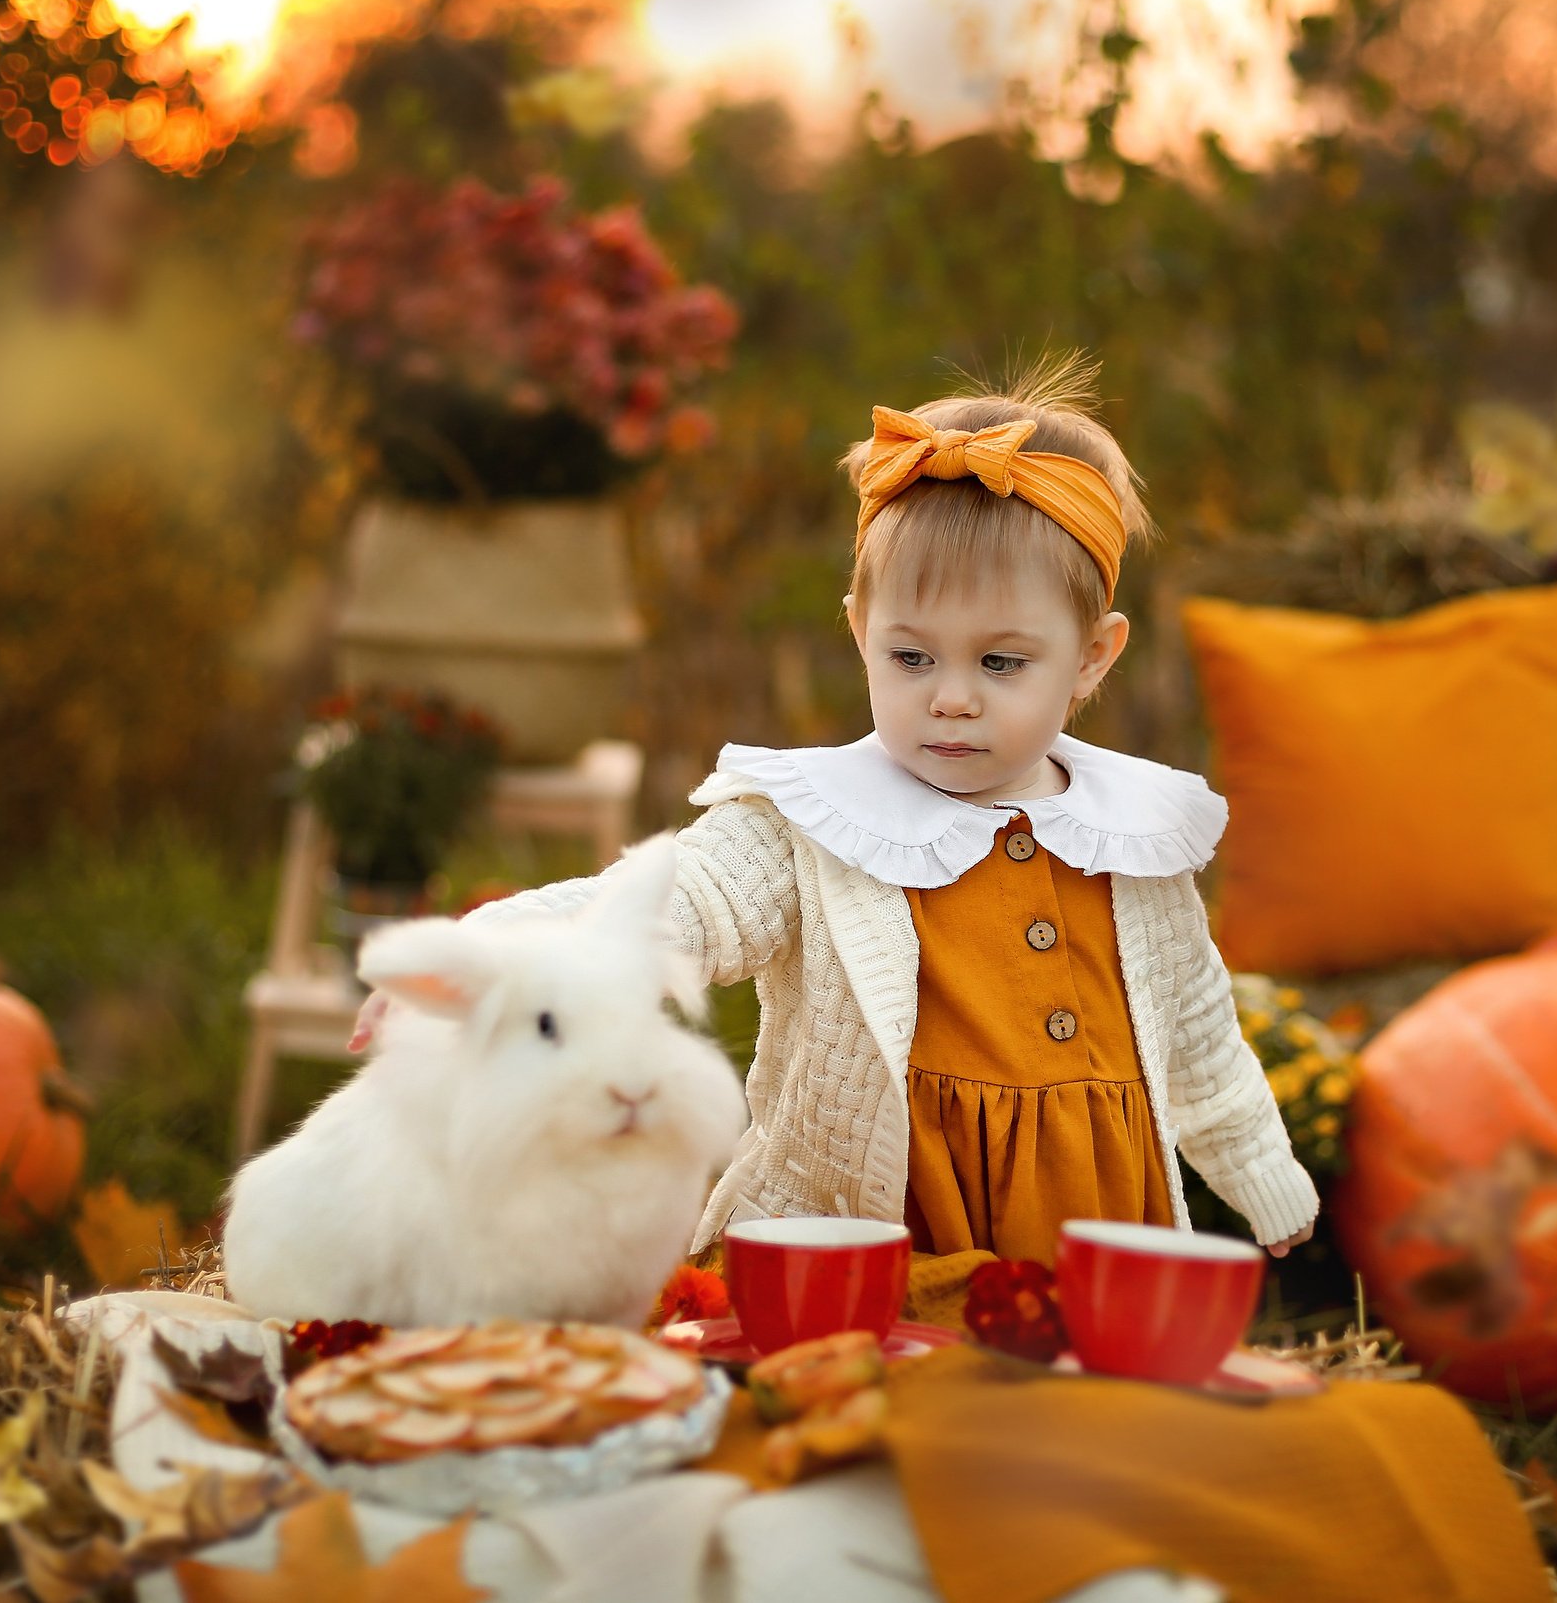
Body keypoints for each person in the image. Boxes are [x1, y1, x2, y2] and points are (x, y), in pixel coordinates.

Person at [474, 355, 1317, 1266]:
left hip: (1095, 1228)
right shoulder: (816, 820)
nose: (951, 698)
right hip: (883, 1242)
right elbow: (675, 903)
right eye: (912, 658)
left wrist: (1263, 1173)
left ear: (1091, 658)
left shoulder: (1133, 832)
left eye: (1001, 663)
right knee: (894, 1401)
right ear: (860, 632)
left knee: (1078, 1404)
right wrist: (485, 955)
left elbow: (1199, 1030)